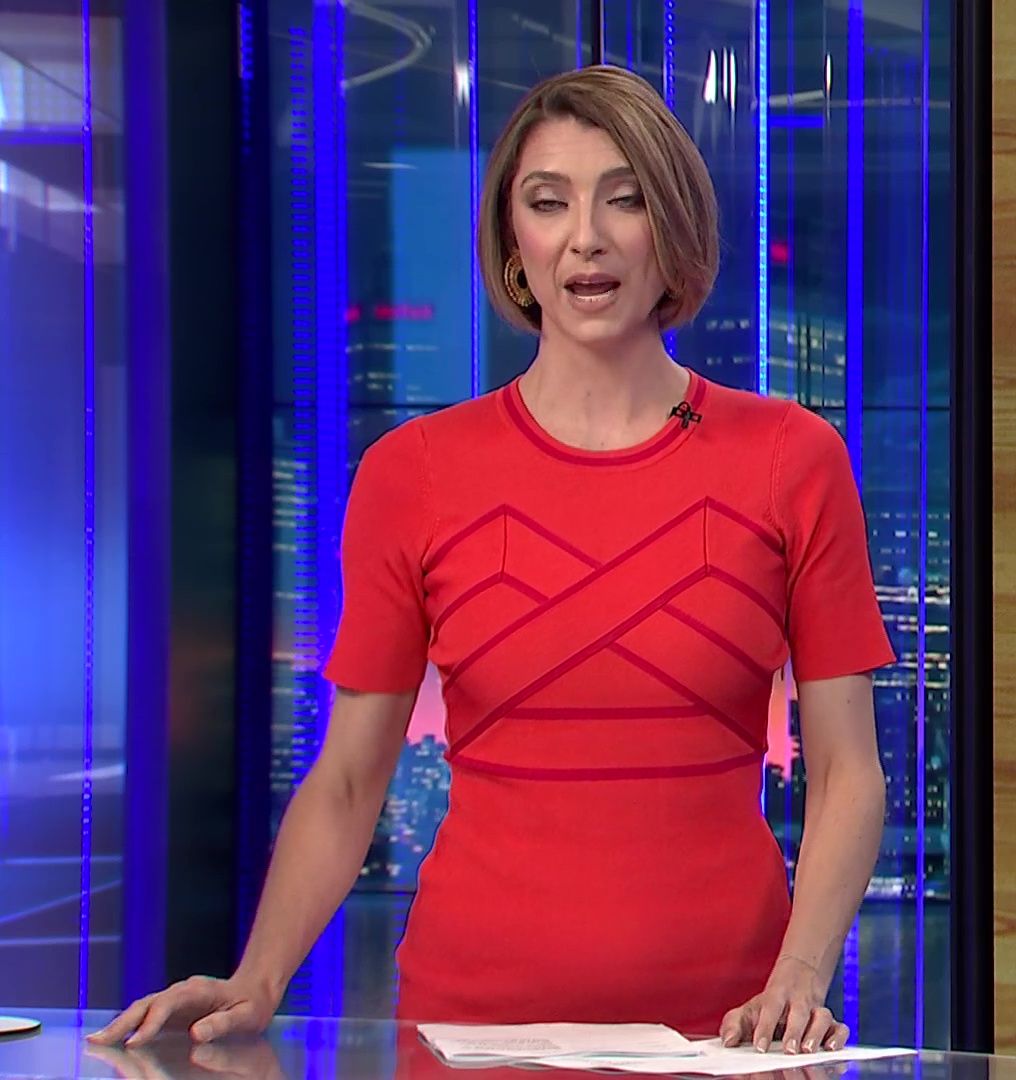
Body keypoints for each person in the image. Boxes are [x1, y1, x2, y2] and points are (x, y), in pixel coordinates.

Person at [90, 67, 892, 1054]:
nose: (586, 237)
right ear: (515, 243)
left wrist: (800, 978)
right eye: (548, 203)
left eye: (625, 199)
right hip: (468, 1032)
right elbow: (348, 780)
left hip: (728, 1036)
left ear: (674, 228)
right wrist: (257, 980)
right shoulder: (414, 473)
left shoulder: (791, 458)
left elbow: (848, 772)